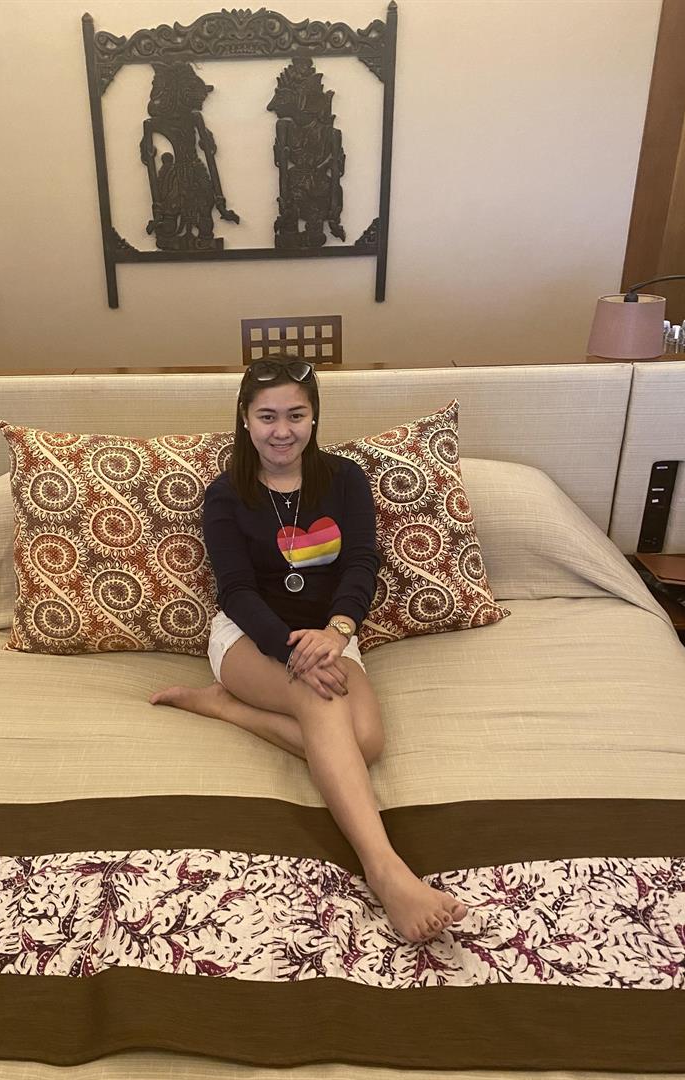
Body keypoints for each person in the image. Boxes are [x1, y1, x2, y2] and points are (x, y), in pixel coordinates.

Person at [150, 358, 467, 944]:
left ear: (314, 417)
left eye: (295, 415)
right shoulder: (226, 495)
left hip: (329, 636)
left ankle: (226, 708)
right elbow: (236, 591)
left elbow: (362, 562)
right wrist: (289, 650)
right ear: (245, 419)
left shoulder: (345, 480)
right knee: (322, 704)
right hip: (250, 638)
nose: (282, 431)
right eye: (267, 416)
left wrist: (337, 632)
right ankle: (386, 871)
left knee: (365, 743)